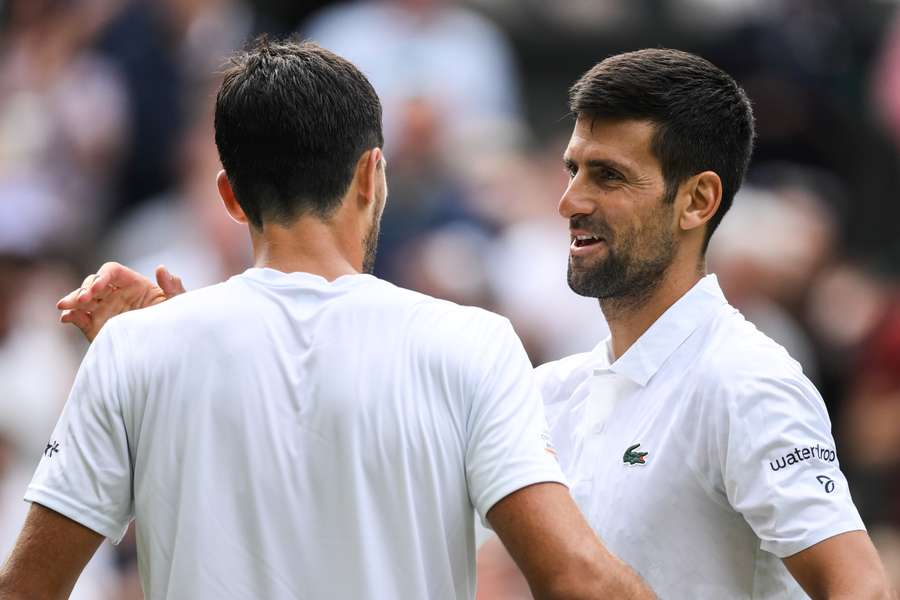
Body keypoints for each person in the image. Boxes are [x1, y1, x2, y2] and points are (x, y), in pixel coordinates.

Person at [65, 48, 897, 599]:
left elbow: (857, 588)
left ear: (698, 200)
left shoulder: (747, 381)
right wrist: (185, 353)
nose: (570, 199)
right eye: (572, 169)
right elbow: (336, 480)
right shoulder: (548, 389)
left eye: (607, 176)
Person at [0, 39, 653, 600]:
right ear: (372, 176)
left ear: (231, 195)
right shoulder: (472, 344)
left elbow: (26, 590)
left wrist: (160, 357)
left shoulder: (133, 349)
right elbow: (576, 581)